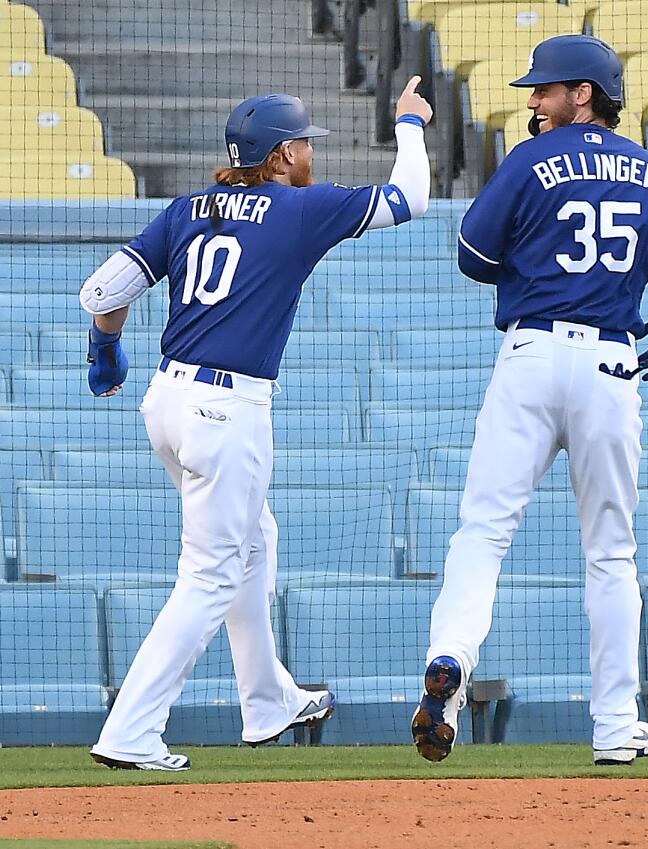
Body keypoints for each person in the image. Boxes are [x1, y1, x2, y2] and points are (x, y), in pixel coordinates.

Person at [81, 79, 434, 770]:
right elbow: (412, 198)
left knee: (253, 537)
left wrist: (104, 348)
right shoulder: (300, 209)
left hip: (168, 402)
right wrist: (410, 124)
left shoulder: (188, 208)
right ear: (279, 155)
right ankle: (129, 729)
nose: (309, 153)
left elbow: (103, 291)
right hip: (227, 410)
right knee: (209, 574)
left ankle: (266, 698)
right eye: (303, 143)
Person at [411, 34, 648, 766]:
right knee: (611, 552)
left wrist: (537, 256)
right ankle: (617, 726)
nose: (534, 101)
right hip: (613, 365)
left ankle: (451, 658)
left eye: (545, 89)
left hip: (530, 354)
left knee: (483, 531)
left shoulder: (530, 158)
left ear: (582, 94)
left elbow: (472, 255)